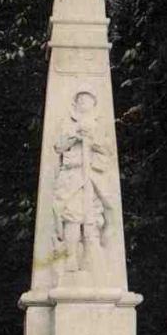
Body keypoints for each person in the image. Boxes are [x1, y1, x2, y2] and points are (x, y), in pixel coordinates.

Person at [52, 86, 113, 274]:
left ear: (94, 104)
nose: (84, 103)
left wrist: (92, 138)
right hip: (72, 176)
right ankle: (70, 259)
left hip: (93, 177)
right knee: (71, 216)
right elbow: (58, 146)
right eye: (81, 99)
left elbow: (107, 149)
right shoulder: (68, 124)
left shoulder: (99, 125)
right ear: (76, 103)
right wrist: (76, 134)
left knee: (93, 219)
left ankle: (93, 263)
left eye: (88, 100)